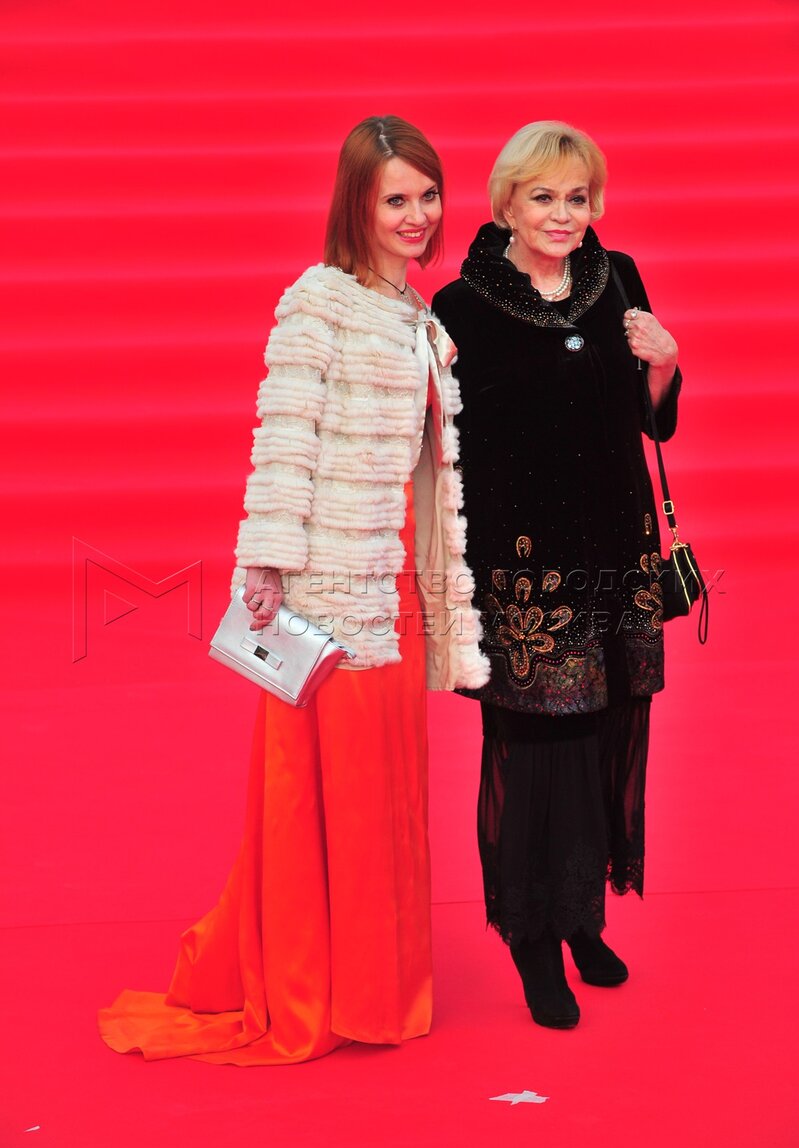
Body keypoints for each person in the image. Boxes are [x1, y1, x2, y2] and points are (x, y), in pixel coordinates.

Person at [98, 116, 489, 1066]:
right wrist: (267, 564)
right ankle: (322, 989)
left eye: (427, 195)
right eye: (394, 199)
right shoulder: (318, 302)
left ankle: (378, 985)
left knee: (385, 791)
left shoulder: (415, 311)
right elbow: (284, 436)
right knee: (326, 794)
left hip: (392, 579)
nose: (416, 215)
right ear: (355, 204)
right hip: (329, 581)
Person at [433, 121, 680, 1030]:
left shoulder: (619, 279)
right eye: (543, 196)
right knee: (534, 747)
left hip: (615, 551)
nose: (563, 214)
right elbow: (446, 447)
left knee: (607, 729)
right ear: (507, 203)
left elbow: (649, 422)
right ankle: (532, 934)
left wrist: (664, 365)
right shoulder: (460, 306)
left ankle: (582, 918)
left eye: (577, 197)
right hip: (523, 571)